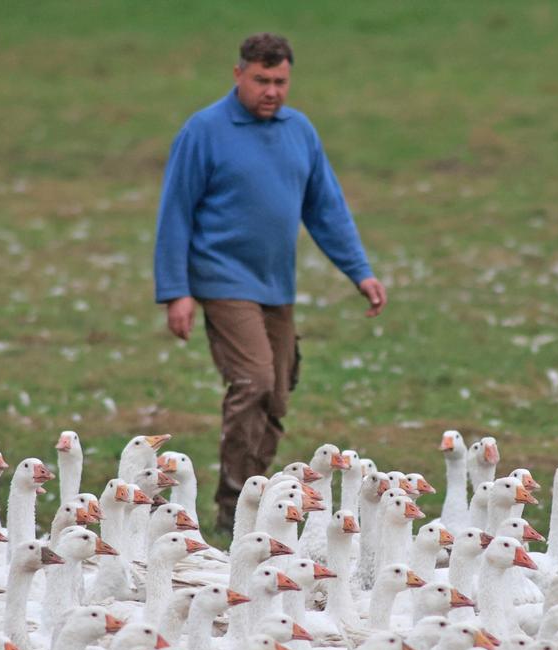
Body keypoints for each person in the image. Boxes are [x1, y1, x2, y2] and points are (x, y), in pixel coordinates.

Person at [153, 32, 387, 532]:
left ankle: (253, 501)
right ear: (239, 74)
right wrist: (176, 291)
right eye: (261, 79)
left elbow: (326, 209)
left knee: (277, 395)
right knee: (253, 380)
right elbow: (175, 211)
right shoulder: (204, 131)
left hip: (275, 284)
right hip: (220, 279)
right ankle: (231, 507)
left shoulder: (299, 131)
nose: (272, 91)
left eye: (280, 81)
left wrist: (360, 272)